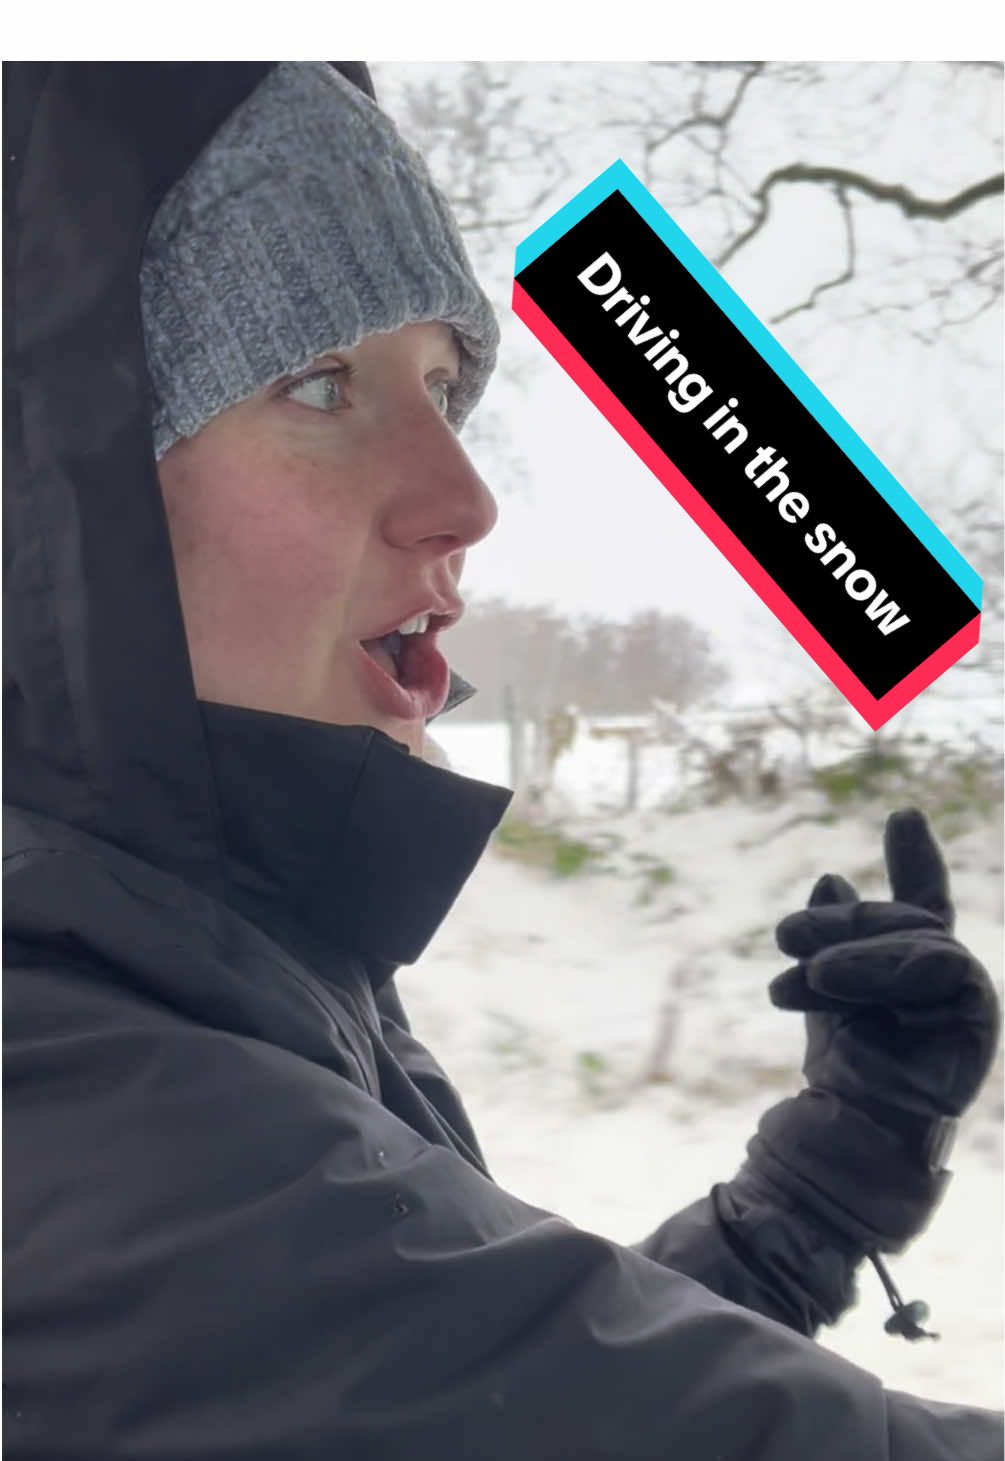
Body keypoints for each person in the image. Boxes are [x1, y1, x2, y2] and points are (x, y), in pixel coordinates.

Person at [4, 60, 1002, 1461]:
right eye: (318, 382)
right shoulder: (61, 1087)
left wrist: (823, 1183)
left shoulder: (216, 962)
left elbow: (494, 1379)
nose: (464, 497)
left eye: (444, 384)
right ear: (50, 496)